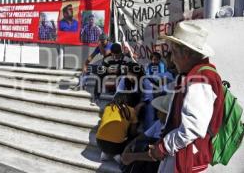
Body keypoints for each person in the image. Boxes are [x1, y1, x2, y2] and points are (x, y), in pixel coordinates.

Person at [149, 22, 224, 173]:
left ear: (186, 54)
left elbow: (191, 130)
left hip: (186, 159)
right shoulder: (193, 76)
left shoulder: (200, 79)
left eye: (173, 53)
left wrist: (162, 148)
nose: (171, 59)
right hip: (182, 155)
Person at [121, 94, 172, 173]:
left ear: (167, 114)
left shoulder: (172, 130)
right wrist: (127, 149)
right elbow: (142, 136)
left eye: (160, 111)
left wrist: (133, 157)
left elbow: (158, 154)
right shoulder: (159, 123)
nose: (157, 113)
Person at [96, 92, 138, 163]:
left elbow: (102, 121)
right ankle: (117, 154)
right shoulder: (130, 110)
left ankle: (105, 153)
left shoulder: (107, 108)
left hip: (99, 143)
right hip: (117, 146)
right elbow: (133, 132)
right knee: (133, 136)